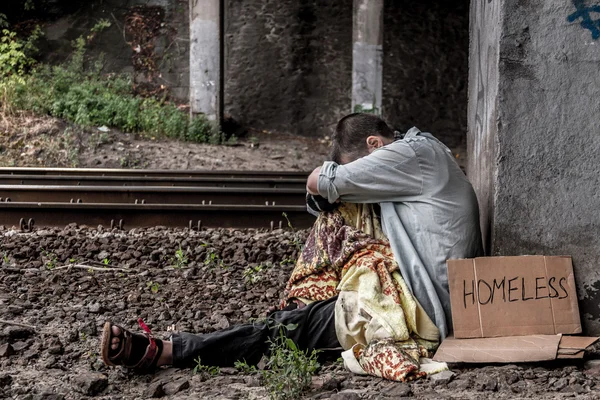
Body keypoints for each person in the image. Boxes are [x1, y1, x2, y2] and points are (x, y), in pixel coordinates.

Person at [101, 113, 482, 381]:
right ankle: (304, 311)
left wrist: (336, 183)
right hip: (413, 293)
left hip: (420, 311)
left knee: (288, 331)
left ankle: (167, 351)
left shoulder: (410, 154)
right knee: (337, 219)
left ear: (374, 143)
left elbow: (320, 181)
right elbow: (325, 202)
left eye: (361, 166)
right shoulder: (420, 157)